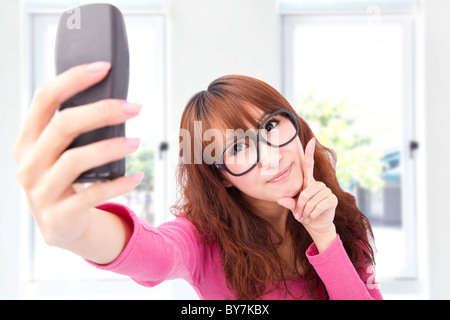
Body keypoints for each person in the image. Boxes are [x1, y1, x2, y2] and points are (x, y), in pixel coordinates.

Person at [13, 61, 382, 300]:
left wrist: (324, 237)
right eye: (238, 147)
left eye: (271, 125)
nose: (271, 155)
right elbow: (159, 253)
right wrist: (78, 231)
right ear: (220, 177)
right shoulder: (204, 240)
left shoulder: (341, 215)